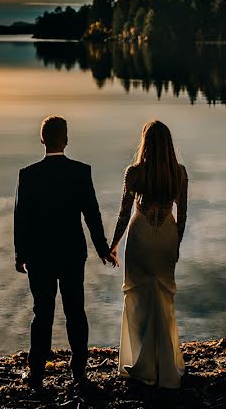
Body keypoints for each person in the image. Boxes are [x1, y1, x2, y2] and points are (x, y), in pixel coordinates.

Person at [14, 115, 114, 390]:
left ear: (42, 140)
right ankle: (79, 373)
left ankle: (36, 375)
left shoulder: (28, 175)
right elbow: (92, 216)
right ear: (66, 140)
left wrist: (19, 256)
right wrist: (103, 250)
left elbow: (21, 219)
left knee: (42, 314)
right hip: (72, 253)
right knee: (76, 312)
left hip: (39, 256)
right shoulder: (81, 172)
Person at [108, 120, 188, 388]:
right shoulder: (179, 173)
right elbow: (183, 215)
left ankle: (141, 361)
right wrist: (176, 245)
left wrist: (113, 244)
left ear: (145, 143)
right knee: (164, 296)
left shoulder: (134, 173)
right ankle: (165, 363)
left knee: (138, 296)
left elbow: (123, 213)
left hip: (140, 234)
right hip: (167, 233)